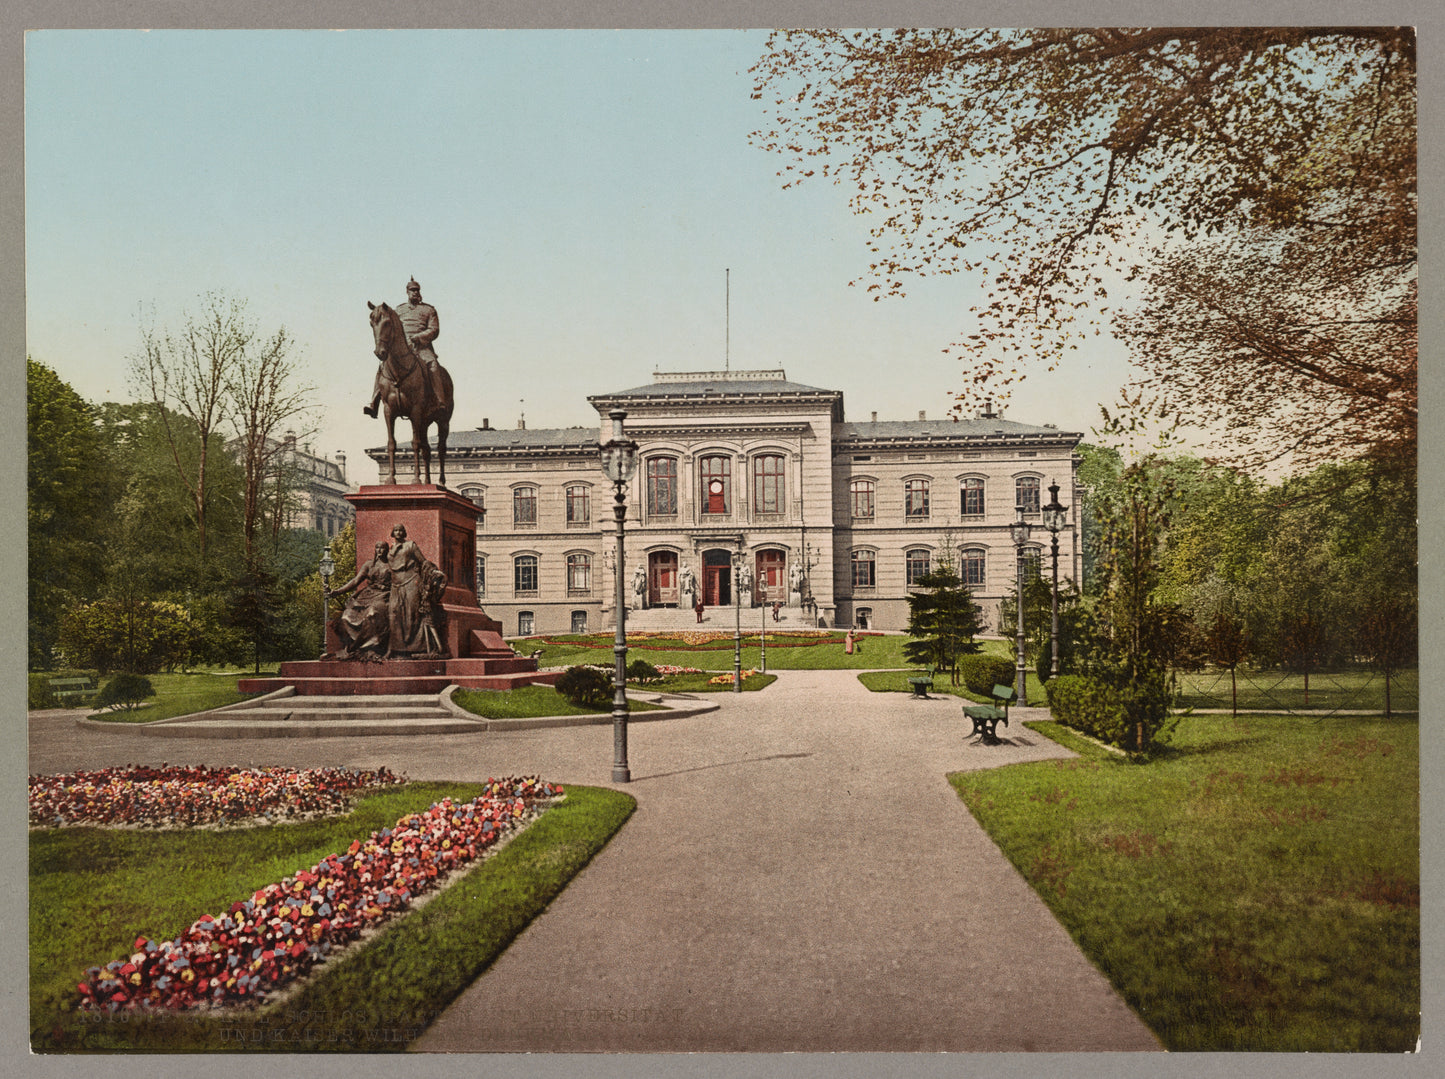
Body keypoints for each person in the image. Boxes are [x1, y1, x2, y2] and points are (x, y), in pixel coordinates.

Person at [366, 276, 442, 417]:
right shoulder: (399, 310)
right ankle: (374, 402)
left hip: (422, 348)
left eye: (416, 290)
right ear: (407, 292)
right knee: (383, 366)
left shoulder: (429, 310)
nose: (414, 293)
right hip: (403, 348)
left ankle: (438, 401)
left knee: (433, 365)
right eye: (412, 290)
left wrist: (419, 337)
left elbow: (434, 329)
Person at [328, 542, 392, 657]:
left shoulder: (391, 565)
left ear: (387, 550)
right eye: (377, 547)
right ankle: (354, 647)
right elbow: (355, 581)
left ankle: (371, 648)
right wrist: (337, 592)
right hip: (367, 595)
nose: (379, 550)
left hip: (384, 594)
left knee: (372, 613)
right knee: (347, 616)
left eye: (382, 548)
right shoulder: (369, 564)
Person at [385, 523, 429, 656]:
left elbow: (423, 562)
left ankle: (415, 647)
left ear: (404, 533)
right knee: (394, 614)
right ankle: (395, 648)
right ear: (393, 533)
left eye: (400, 530)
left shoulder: (411, 545)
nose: (398, 533)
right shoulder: (390, 549)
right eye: (396, 530)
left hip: (410, 581)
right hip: (395, 585)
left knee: (411, 614)